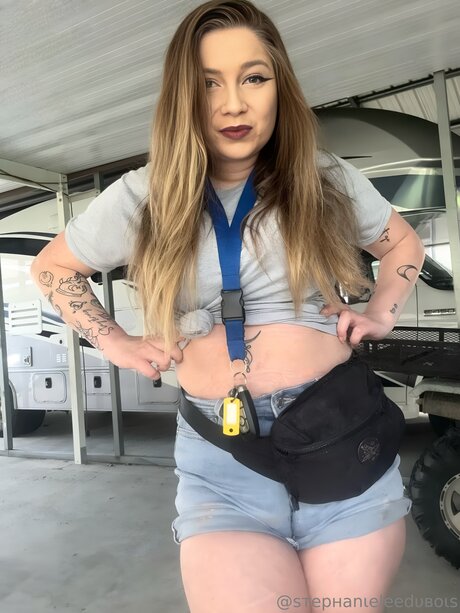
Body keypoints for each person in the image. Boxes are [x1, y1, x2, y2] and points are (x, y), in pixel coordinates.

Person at [31, 1, 426, 611]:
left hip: (339, 433)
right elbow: (52, 268)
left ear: (279, 87)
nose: (233, 104)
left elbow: (402, 242)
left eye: (254, 78)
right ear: (181, 98)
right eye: (208, 83)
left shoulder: (322, 177)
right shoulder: (145, 194)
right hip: (222, 453)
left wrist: (382, 312)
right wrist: (117, 342)